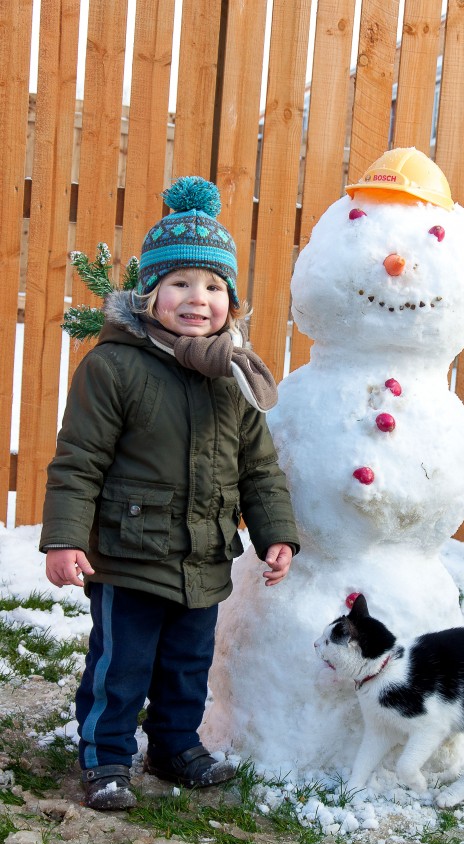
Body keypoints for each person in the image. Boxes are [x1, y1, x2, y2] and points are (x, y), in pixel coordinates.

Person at [40, 177, 300, 810]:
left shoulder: (233, 378)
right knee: (120, 665)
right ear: (149, 292)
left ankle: (176, 744)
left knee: (187, 664)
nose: (196, 299)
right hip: (127, 555)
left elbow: (259, 468)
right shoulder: (114, 366)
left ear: (230, 304)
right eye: (179, 283)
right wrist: (65, 539)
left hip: (203, 556)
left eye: (213, 288)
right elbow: (79, 461)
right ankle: (105, 757)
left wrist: (276, 534)